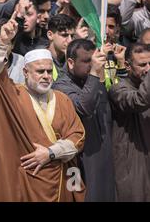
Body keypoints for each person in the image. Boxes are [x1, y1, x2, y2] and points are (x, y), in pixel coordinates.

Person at [0, 10, 85, 201]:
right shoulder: (13, 95)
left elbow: (78, 136)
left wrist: (51, 153)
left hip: (61, 180)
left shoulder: (62, 99)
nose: (46, 76)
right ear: (25, 72)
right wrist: (4, 43)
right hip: (25, 183)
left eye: (48, 71)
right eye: (39, 71)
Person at [53, 39, 115, 201]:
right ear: (71, 62)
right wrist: (94, 73)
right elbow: (83, 107)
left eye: (93, 60)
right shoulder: (61, 86)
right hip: (78, 166)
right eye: (86, 61)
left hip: (104, 162)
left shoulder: (95, 80)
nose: (91, 64)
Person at [108, 42, 150, 201]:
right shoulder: (118, 89)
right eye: (142, 65)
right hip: (132, 167)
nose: (147, 69)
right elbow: (139, 101)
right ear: (127, 65)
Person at [46, 14, 76, 80]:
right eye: (64, 35)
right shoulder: (40, 59)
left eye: (72, 36)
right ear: (50, 35)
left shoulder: (74, 59)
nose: (70, 40)